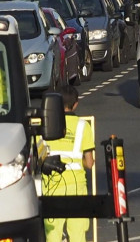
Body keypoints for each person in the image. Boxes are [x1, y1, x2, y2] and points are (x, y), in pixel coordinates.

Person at [42, 85, 95, 242]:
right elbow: (90, 163)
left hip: (52, 185)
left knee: (53, 232)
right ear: (76, 104)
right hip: (76, 185)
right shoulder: (82, 126)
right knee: (77, 232)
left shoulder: (45, 125)